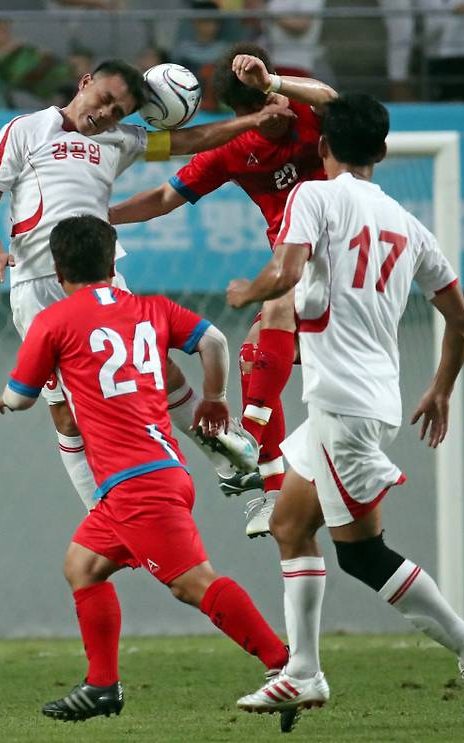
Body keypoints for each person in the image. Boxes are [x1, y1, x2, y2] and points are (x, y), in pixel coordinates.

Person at [226, 93, 464, 723]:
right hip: (354, 401)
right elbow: (460, 320)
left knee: (361, 552)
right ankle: (303, 670)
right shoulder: (409, 226)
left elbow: (288, 269)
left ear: (321, 146)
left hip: (343, 405)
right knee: (289, 526)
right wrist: (440, 387)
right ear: (383, 152)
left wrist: (250, 290)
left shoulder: (313, 196)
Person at [0, 214, 290, 721]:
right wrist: (215, 398)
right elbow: (215, 341)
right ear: (114, 264)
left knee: (191, 582)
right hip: (158, 471)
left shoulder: (54, 320)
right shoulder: (150, 308)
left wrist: (5, 397)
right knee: (83, 567)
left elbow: (20, 398)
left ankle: (285, 667)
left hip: (137, 485)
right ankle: (102, 686)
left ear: (56, 269)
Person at [0, 58, 291, 512]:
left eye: (119, 111)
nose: (106, 114)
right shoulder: (27, 129)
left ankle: (228, 460)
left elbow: (189, 140)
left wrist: (254, 121)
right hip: (39, 285)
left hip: (103, 275)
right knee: (66, 413)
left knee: (160, 369)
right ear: (84, 82)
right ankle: (104, 513)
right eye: (104, 100)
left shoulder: (119, 140)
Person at [109, 44, 337, 537]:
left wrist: (273, 84)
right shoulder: (237, 147)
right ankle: (271, 492)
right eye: (249, 113)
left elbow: (329, 97)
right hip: (298, 267)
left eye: (265, 105)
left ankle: (249, 435)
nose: (263, 120)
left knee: (276, 294)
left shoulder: (306, 111)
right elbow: (165, 197)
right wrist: (100, 216)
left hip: (337, 251)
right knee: (253, 356)